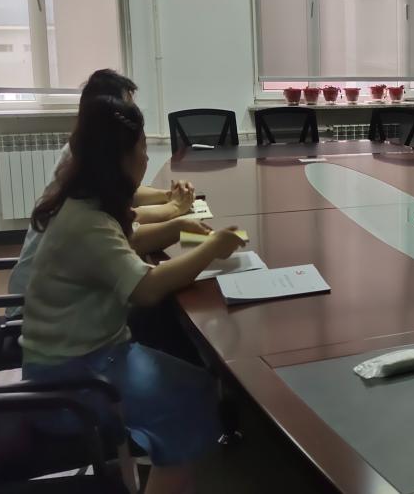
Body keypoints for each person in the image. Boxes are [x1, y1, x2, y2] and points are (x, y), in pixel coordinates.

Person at [21, 94, 246, 494]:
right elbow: (145, 288)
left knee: (193, 380)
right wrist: (211, 248)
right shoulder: (87, 221)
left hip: (80, 358)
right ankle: (171, 463)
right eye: (142, 148)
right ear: (118, 160)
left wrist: (178, 227)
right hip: (72, 380)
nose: (145, 157)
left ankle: (168, 458)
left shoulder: (85, 204)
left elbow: (127, 243)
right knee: (189, 397)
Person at [8, 69, 199, 297]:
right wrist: (176, 212)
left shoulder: (87, 160)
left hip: (57, 298)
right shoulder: (86, 208)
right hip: (33, 300)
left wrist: (168, 198)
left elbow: (126, 210)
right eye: (126, 107)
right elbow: (139, 268)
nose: (130, 114)